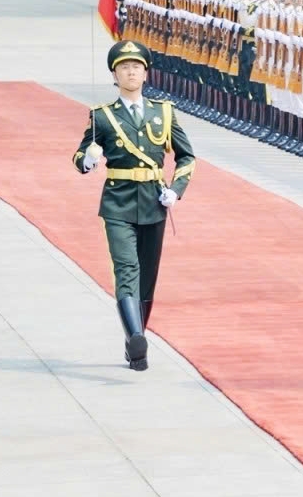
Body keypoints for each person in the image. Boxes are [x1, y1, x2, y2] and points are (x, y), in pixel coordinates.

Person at [72, 40, 195, 371]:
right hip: (118, 202)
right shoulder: (102, 117)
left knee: (147, 278)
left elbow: (186, 156)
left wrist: (177, 189)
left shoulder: (164, 112)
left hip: (154, 203)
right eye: (124, 67)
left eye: (136, 67)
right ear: (115, 74)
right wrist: (89, 160)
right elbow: (79, 156)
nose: (131, 72)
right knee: (127, 270)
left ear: (145, 74)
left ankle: (132, 342)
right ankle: (136, 336)